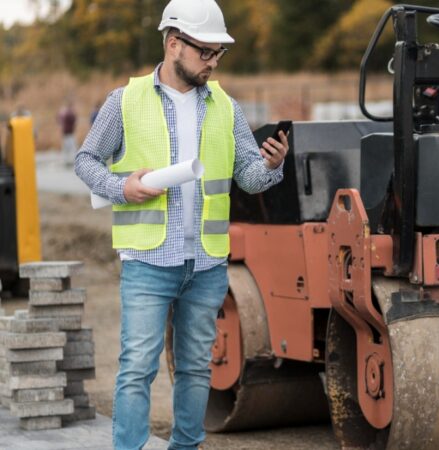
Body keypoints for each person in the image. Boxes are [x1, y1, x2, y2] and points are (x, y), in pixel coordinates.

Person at [73, 0, 290, 448]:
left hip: (207, 264)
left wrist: (271, 165)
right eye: (206, 52)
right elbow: (85, 160)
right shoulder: (125, 101)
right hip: (149, 260)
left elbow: (247, 177)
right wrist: (120, 187)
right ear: (174, 44)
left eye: (218, 54)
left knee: (195, 367)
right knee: (138, 368)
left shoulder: (226, 107)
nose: (213, 62)